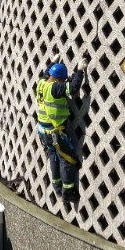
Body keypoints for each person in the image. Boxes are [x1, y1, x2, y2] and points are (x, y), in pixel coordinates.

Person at [35, 61, 85, 203]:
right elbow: (72, 88)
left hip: (43, 130)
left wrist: (51, 63)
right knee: (66, 160)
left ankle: (57, 187)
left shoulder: (41, 83)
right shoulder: (55, 88)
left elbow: (46, 73)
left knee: (53, 157)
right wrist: (80, 71)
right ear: (59, 79)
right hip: (56, 132)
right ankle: (68, 192)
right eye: (63, 79)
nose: (64, 81)